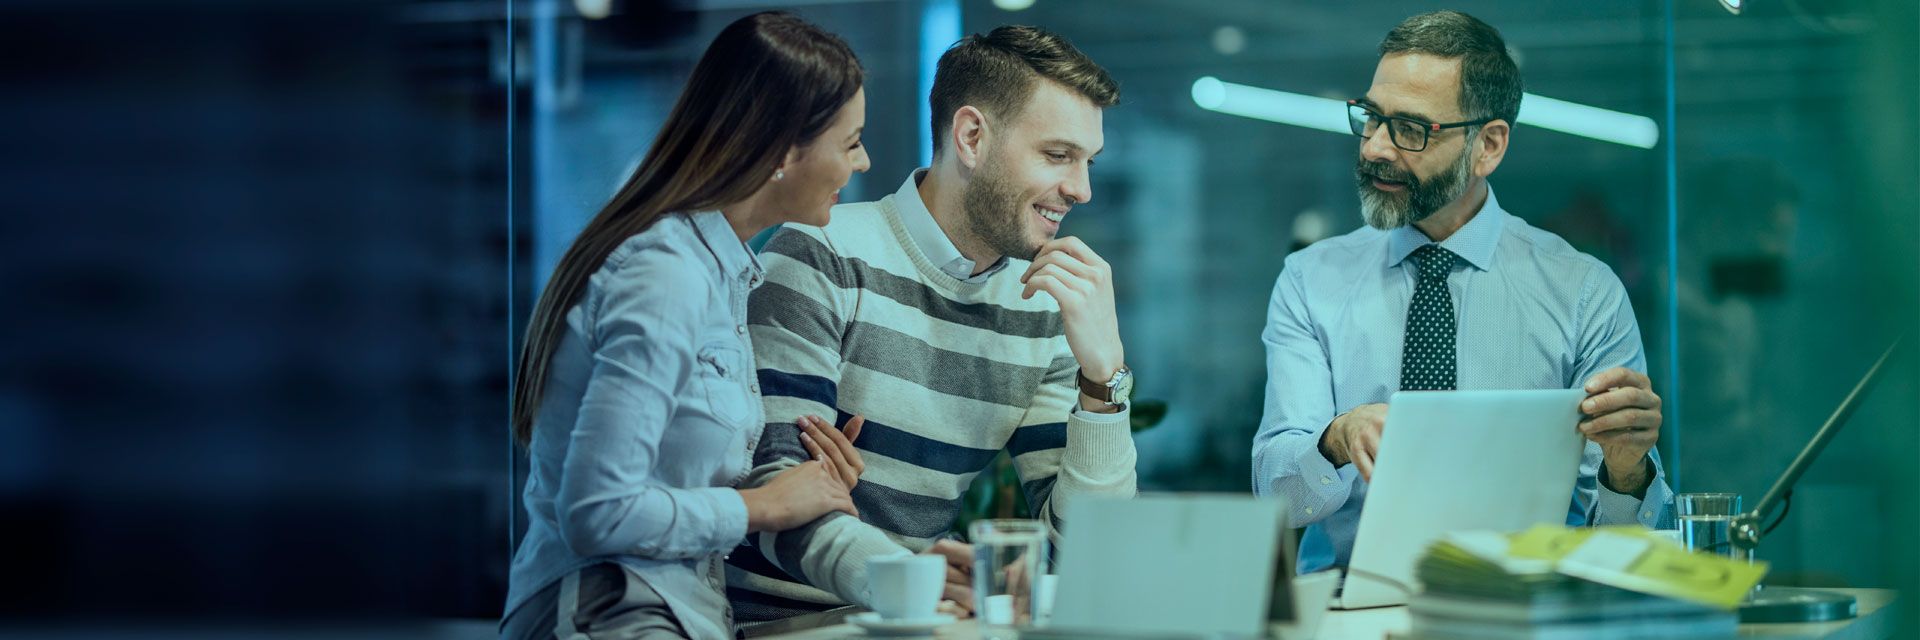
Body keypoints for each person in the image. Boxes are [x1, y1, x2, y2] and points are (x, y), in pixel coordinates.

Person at [723, 25, 1139, 622]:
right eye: (1058, 155)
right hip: (787, 628)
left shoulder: (1045, 304)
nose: (1082, 189)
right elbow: (776, 498)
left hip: (921, 622)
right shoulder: (822, 253)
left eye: (1088, 161)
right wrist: (910, 583)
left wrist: (1104, 377)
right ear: (971, 136)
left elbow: (1093, 552)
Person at [1251, 10, 1674, 575]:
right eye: (1371, 117)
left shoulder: (1582, 292)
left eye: (1410, 129)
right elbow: (1275, 498)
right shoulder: (1311, 281)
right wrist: (1335, 438)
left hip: (1526, 608)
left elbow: (1624, 550)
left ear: (1488, 146)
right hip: (1346, 612)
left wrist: (1627, 471)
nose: (1375, 147)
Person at [501, 12, 872, 639]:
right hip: (608, 615)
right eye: (851, 141)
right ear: (784, 151)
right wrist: (764, 506)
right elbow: (597, 513)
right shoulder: (666, 275)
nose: (861, 163)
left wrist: (806, 481)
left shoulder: (716, 268)